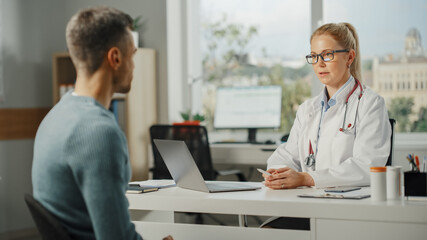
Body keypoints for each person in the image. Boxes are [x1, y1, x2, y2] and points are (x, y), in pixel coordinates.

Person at [32, 6, 172, 240]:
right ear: (115, 58)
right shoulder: (99, 133)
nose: (134, 65)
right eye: (133, 55)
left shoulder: (54, 117)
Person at [260, 22, 391, 228]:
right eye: (314, 56)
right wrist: (278, 175)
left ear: (349, 57)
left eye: (327, 55)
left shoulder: (370, 104)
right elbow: (285, 155)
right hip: (307, 205)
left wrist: (306, 178)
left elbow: (368, 166)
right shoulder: (307, 109)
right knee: (267, 231)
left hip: (349, 211)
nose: (319, 64)